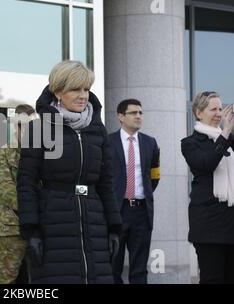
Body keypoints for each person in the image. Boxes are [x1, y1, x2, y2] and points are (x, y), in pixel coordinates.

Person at [17, 60, 122, 284]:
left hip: (95, 223)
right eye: (76, 89)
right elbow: (26, 182)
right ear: (58, 92)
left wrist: (114, 226)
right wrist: (31, 230)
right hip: (54, 224)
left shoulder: (97, 130)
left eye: (86, 89)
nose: (83, 95)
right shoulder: (39, 128)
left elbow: (107, 182)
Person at [181, 91, 234, 284]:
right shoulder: (190, 143)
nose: (219, 113)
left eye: (221, 108)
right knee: (213, 279)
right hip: (209, 226)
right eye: (213, 109)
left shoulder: (230, 140)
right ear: (198, 112)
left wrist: (227, 135)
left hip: (231, 223)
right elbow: (206, 164)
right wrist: (225, 133)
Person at [109, 99, 160, 284]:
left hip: (141, 211)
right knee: (113, 266)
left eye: (140, 112)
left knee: (139, 269)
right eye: (133, 113)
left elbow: (154, 176)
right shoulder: (108, 142)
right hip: (117, 211)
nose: (138, 116)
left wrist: (141, 194)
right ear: (120, 116)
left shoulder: (150, 143)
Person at [0, 104, 36, 284]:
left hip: (38, 227)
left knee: (40, 277)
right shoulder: (5, 151)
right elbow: (4, 188)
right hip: (12, 226)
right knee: (7, 277)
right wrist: (28, 210)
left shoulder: (42, 151)